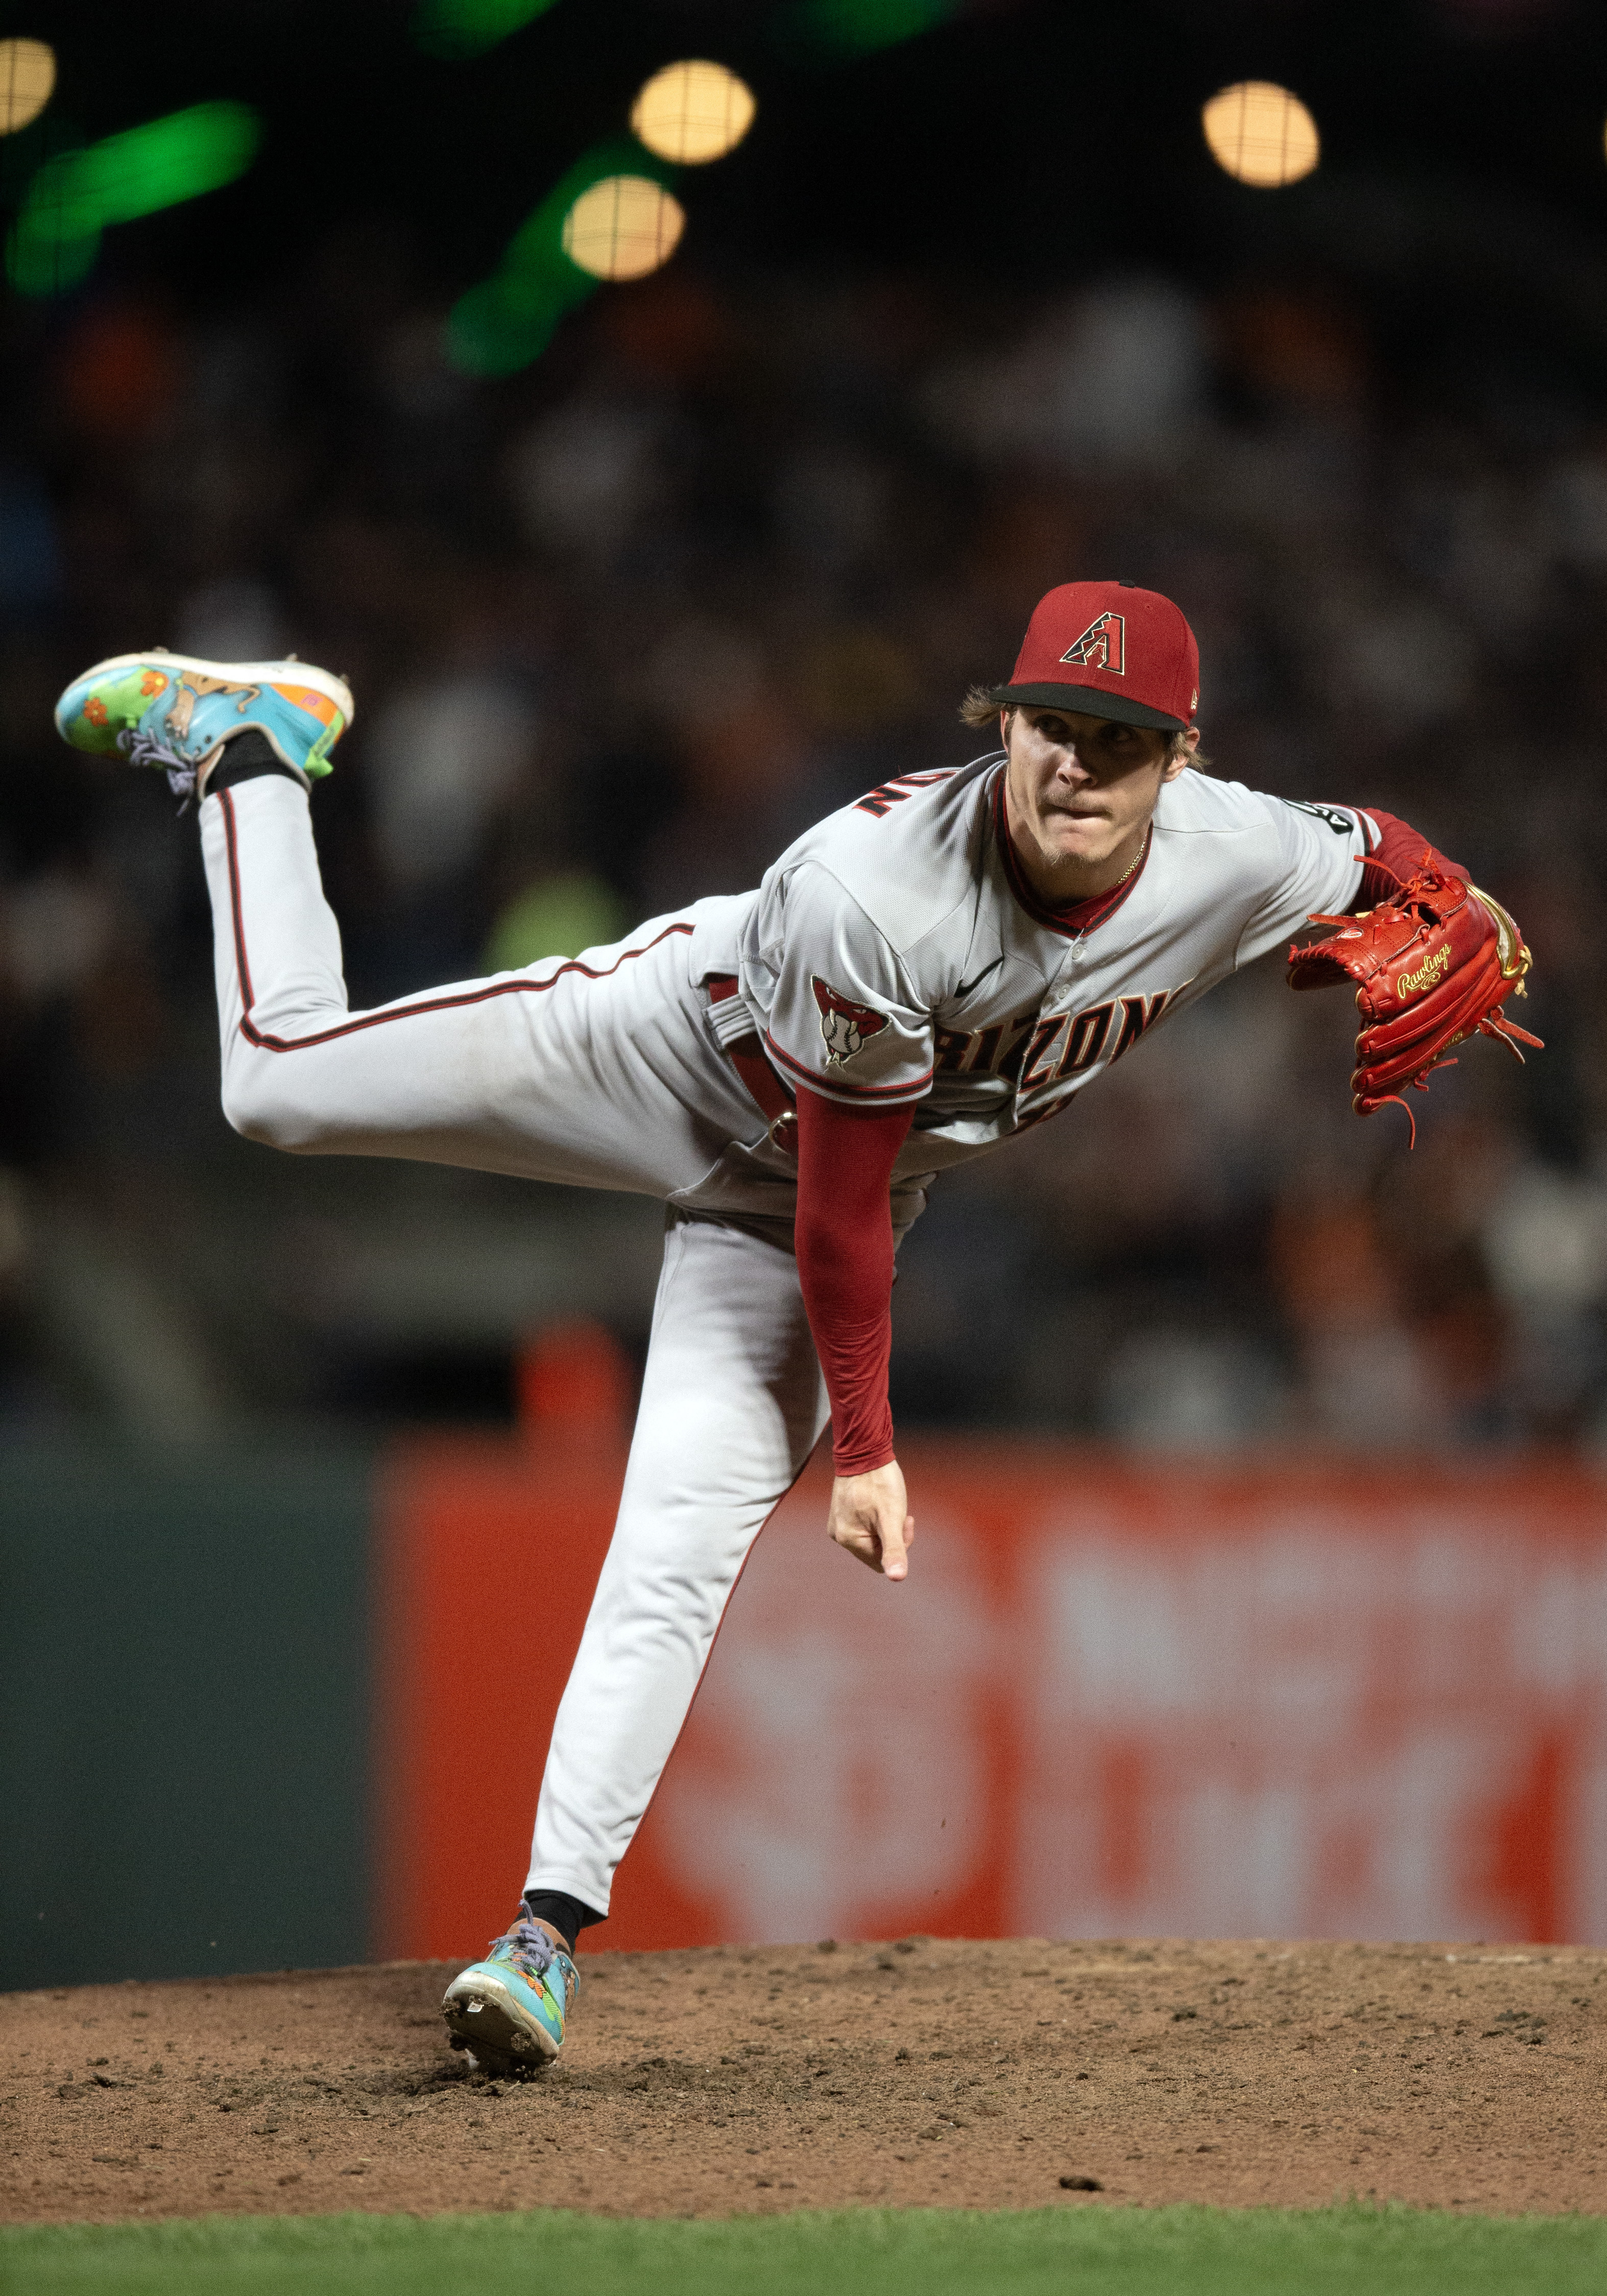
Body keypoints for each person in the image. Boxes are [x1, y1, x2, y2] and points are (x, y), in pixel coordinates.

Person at [53, 581, 1524, 2072]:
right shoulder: (874, 891)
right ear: (1001, 725)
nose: (1077, 764)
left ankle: (539, 1938)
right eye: (1051, 728)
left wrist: (1457, 894)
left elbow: (1375, 850)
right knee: (274, 1086)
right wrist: (868, 1449)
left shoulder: (1241, 847)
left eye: (1119, 739)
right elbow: (841, 1213)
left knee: (676, 1539)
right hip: (665, 1056)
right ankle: (250, 746)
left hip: (807, 1197)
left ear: (1180, 758)